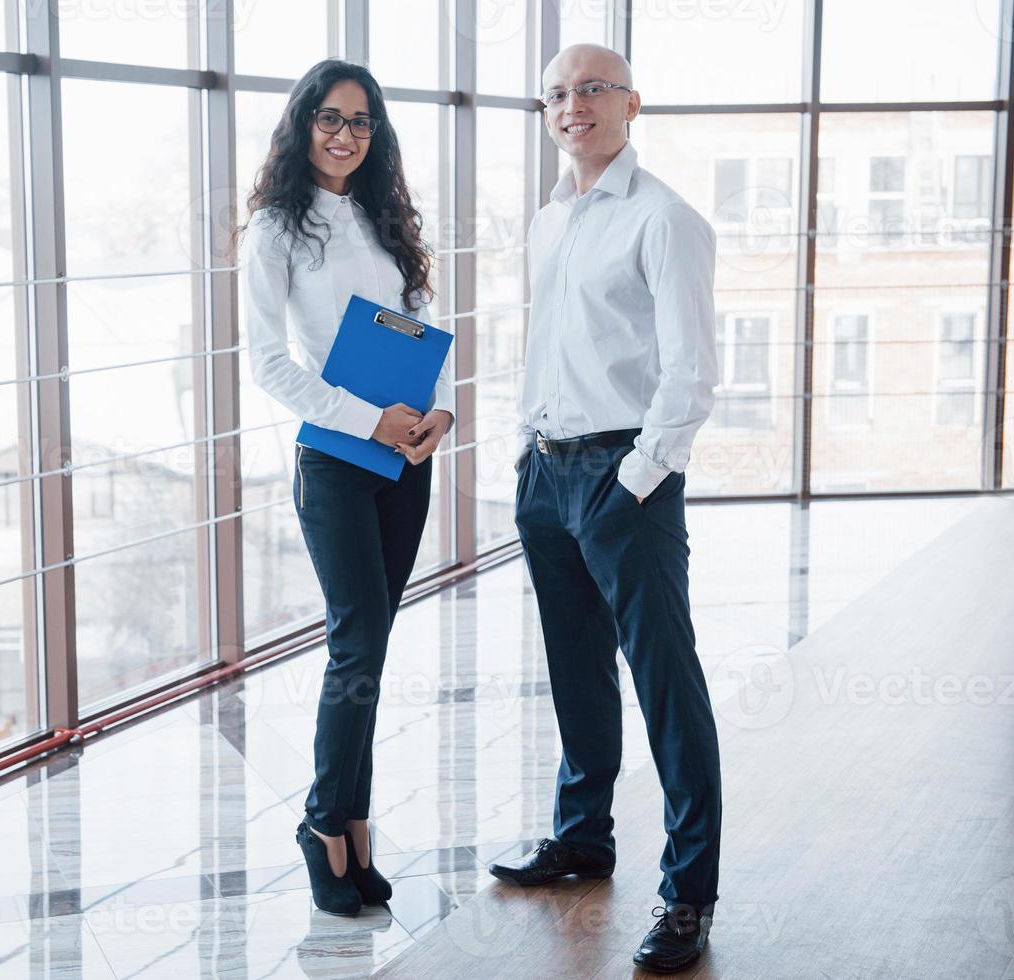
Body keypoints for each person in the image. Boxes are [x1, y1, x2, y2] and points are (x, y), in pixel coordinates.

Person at [486, 43, 723, 974]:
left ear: (631, 103)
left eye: (590, 89)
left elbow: (692, 373)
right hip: (545, 475)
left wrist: (633, 480)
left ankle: (688, 892)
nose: (571, 105)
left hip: (623, 480)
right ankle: (582, 837)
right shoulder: (551, 219)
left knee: (666, 685)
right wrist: (530, 455)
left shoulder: (664, 220)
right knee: (577, 671)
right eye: (555, 93)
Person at [236, 58, 454, 917]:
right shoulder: (275, 230)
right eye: (329, 117)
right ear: (301, 124)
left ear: (376, 134)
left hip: (405, 461)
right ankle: (325, 825)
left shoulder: (383, 219)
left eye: (361, 121)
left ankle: (354, 825)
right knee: (354, 645)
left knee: (373, 646)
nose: (344, 133)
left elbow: (420, 328)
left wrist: (436, 418)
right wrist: (366, 422)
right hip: (335, 459)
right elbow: (266, 363)